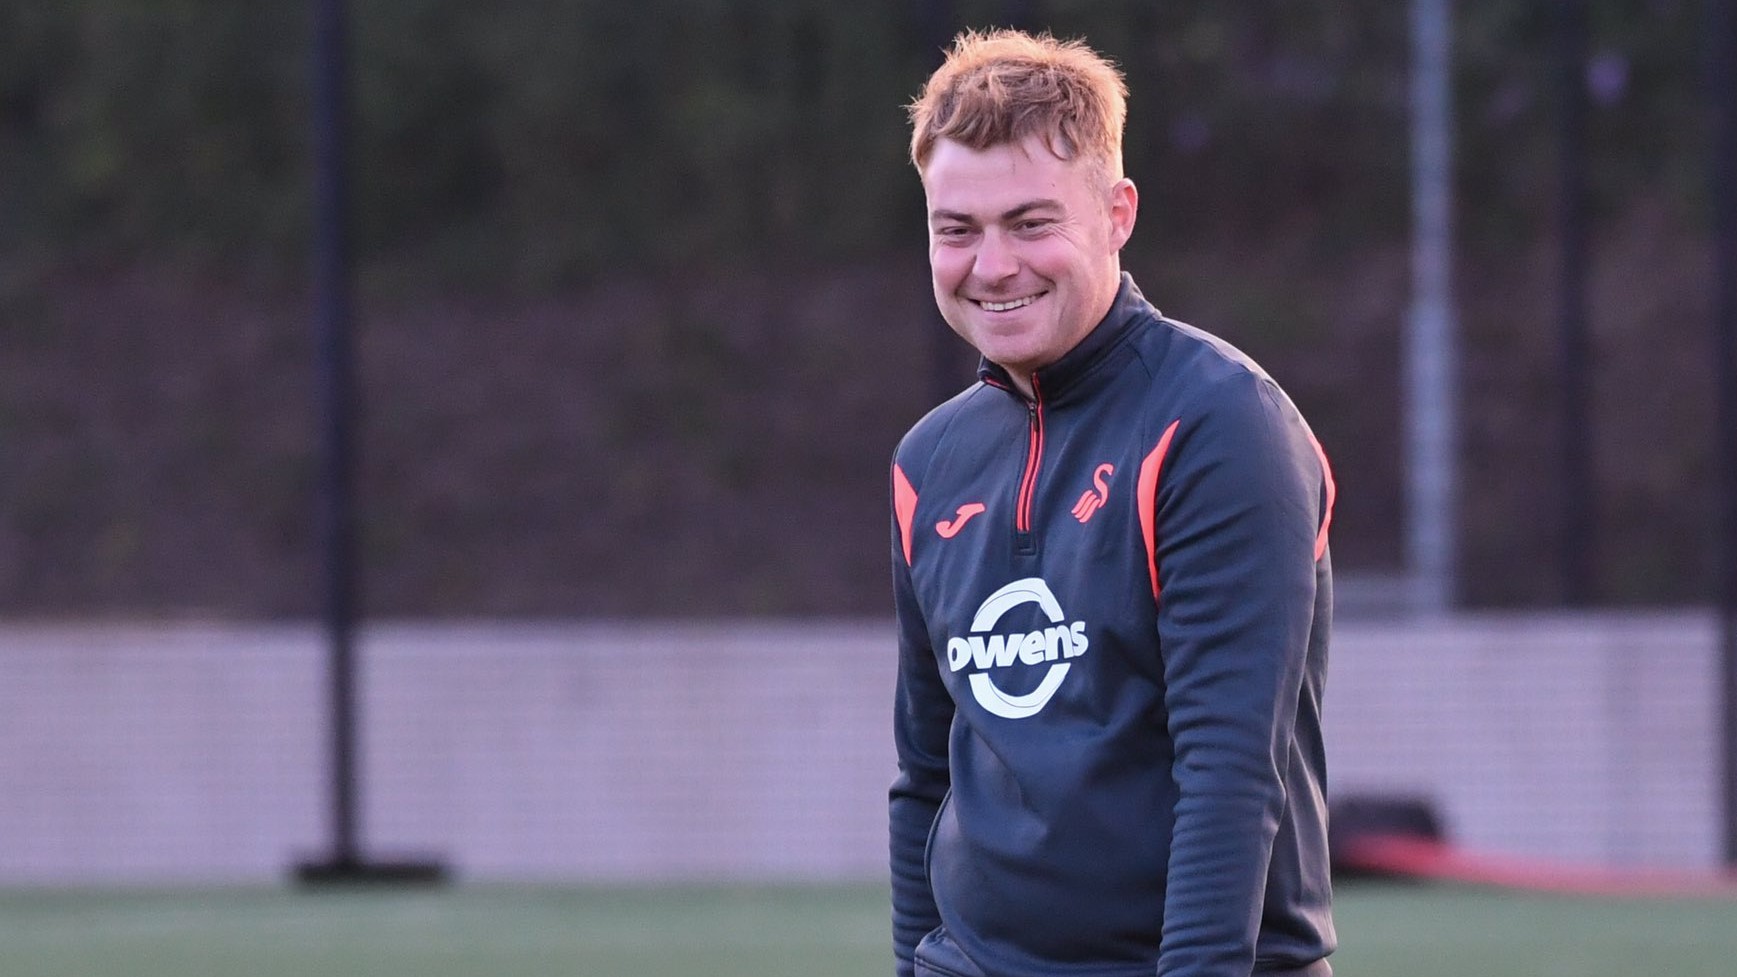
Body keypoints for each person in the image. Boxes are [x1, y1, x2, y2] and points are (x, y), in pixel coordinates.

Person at [888, 29, 1337, 977]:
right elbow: (926, 779)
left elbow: (1228, 773)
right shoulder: (928, 463)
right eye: (956, 230)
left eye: (1031, 222)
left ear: (1116, 212)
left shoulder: (1217, 424)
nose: (993, 265)